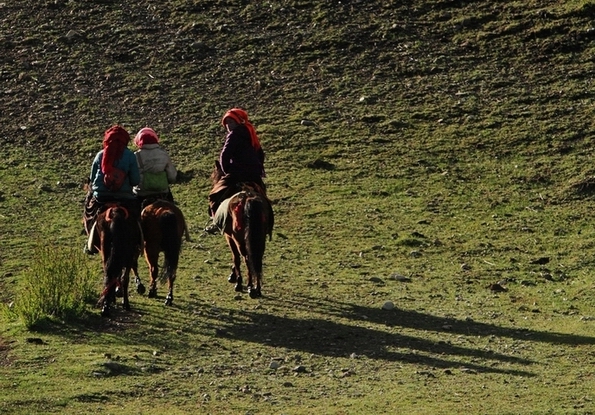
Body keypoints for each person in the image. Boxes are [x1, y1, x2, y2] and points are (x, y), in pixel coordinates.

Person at [205, 108, 266, 234]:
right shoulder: (250, 133)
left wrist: (227, 171)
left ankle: (216, 221)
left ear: (239, 122)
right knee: (262, 194)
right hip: (254, 173)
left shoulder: (234, 134)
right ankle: (266, 221)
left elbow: (225, 155)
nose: (228, 126)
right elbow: (260, 153)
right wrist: (257, 168)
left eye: (231, 122)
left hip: (238, 172)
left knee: (214, 195)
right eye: (226, 124)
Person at [83, 125, 141, 254]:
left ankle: (89, 242)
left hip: (102, 197)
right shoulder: (130, 156)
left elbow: (92, 178)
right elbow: (135, 180)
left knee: (89, 213)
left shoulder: (100, 155)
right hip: (124, 197)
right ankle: (139, 241)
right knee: (137, 217)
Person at [132, 127, 177, 209]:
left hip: (142, 194)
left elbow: (133, 178)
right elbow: (172, 176)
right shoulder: (163, 154)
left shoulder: (136, 156)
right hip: (162, 192)